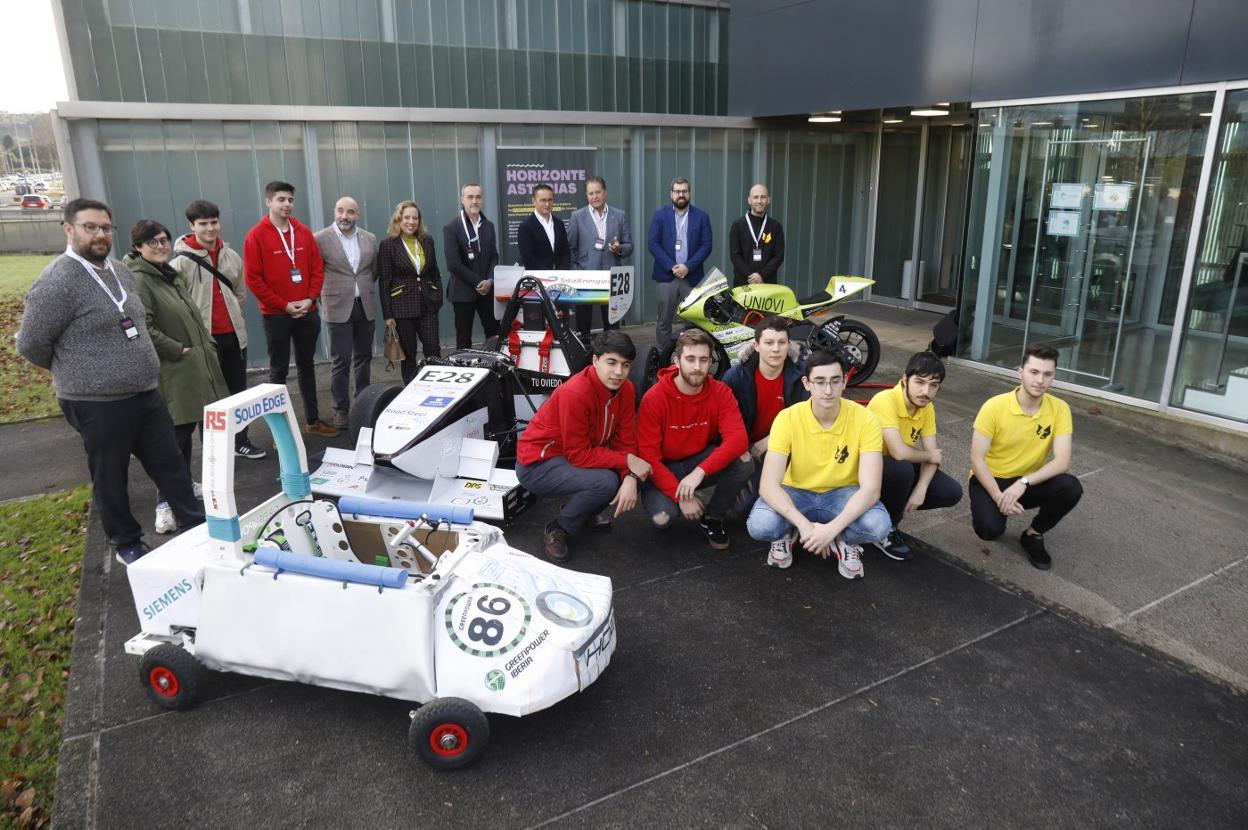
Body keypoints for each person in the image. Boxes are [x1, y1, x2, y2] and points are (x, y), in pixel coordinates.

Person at [16, 198, 204, 565]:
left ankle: (193, 522)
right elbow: (31, 344)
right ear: (69, 229)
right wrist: (78, 372)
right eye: (90, 227)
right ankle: (126, 541)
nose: (100, 234)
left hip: (145, 392)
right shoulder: (56, 283)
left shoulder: (119, 271)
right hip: (96, 402)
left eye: (105, 227)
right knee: (111, 476)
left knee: (170, 464)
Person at [124, 220, 228, 535]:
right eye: (152, 242)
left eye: (164, 240)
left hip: (195, 365)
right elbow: (144, 328)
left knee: (187, 437)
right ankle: (164, 504)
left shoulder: (169, 274)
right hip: (174, 371)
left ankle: (183, 486)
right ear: (138, 246)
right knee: (172, 441)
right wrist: (177, 350)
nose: (160, 246)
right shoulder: (140, 280)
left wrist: (203, 345)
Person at [746, 350, 890, 576]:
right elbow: (768, 484)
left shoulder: (866, 419)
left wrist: (831, 530)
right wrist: (804, 526)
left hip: (842, 493)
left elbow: (871, 489)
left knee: (879, 526)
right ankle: (789, 533)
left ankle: (843, 540)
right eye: (820, 381)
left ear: (845, 381)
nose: (828, 390)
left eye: (835, 381)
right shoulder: (788, 417)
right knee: (760, 525)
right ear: (806, 383)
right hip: (797, 490)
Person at [515, 331, 651, 563]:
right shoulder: (575, 393)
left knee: (617, 476)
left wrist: (629, 475)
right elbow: (579, 455)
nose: (619, 372)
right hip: (537, 464)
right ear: (595, 361)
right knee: (606, 481)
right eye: (611, 362)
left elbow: (625, 442)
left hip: (570, 455)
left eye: (625, 365)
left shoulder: (626, 390)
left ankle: (582, 512)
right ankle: (559, 527)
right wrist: (628, 462)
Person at [969, 344, 1083, 570]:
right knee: (989, 531)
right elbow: (976, 459)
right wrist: (998, 496)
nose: (1040, 380)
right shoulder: (994, 406)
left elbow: (1062, 461)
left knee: (1070, 487)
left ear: (1053, 376)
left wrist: (1023, 483)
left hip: (1026, 482)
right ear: (1020, 372)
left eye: (1047, 374)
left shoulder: (1060, 409)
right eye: (1034, 372)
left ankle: (1033, 534)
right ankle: (996, 508)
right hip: (990, 479)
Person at [637, 329, 752, 550]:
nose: (697, 367)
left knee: (743, 461)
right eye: (690, 359)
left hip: (697, 462)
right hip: (663, 468)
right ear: (677, 360)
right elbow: (649, 458)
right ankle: (677, 499)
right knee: (663, 520)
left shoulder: (720, 392)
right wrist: (681, 497)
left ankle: (712, 518)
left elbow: (738, 439)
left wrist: (698, 473)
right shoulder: (655, 398)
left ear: (711, 362)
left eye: (703, 360)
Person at [171, 199, 265, 460]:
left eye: (214, 222)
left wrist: (232, 313)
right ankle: (213, 450)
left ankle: (240, 441)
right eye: (203, 224)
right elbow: (176, 304)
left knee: (237, 391)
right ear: (192, 226)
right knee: (208, 397)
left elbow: (240, 293)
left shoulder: (231, 256)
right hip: (204, 341)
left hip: (234, 336)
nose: (210, 228)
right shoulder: (180, 263)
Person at [243, 180, 338, 436]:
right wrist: (283, 305)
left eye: (290, 200)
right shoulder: (256, 235)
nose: (287, 205)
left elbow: (317, 269)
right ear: (269, 202)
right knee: (279, 371)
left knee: (308, 366)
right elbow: (253, 279)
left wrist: (310, 299)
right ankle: (279, 433)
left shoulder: (303, 232)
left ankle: (312, 420)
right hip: (277, 315)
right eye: (281, 199)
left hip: (307, 311)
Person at [867, 351, 964, 561]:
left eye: (933, 385)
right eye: (919, 382)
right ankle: (887, 528)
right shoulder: (885, 400)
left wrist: (922, 487)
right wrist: (929, 455)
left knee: (951, 492)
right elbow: (900, 453)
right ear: (904, 379)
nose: (925, 391)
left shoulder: (927, 408)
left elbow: (933, 456)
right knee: (902, 468)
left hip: (895, 473)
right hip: (866, 471)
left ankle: (881, 512)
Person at [722, 314, 809, 512]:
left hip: (787, 446)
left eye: (782, 342)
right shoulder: (736, 376)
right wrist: (738, 450)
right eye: (769, 342)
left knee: (791, 501)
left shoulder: (802, 377)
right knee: (742, 509)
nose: (776, 349)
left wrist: (771, 440)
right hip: (746, 449)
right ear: (757, 345)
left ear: (789, 345)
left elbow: (809, 418)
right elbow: (721, 420)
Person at [314, 196, 378, 428]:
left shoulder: (369, 239)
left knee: (364, 358)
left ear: (357, 215)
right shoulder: (320, 239)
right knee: (340, 360)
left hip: (364, 305)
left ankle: (362, 402)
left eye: (350, 212)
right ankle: (340, 409)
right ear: (334, 211)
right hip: (337, 307)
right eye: (340, 211)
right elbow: (315, 272)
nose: (344, 216)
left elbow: (373, 270)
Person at [377, 200, 444, 384]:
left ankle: (437, 387)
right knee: (409, 355)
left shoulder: (426, 240)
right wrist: (387, 314)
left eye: (415, 218)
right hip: (402, 308)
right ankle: (412, 391)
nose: (411, 221)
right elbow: (384, 281)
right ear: (399, 219)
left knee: (433, 350)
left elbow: (434, 272)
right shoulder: (388, 245)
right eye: (407, 217)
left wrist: (438, 296)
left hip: (428, 305)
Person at [647, 177, 713, 346]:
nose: (681, 195)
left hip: (691, 276)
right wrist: (672, 266)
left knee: (692, 322)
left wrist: (687, 267)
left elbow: (706, 246)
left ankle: (691, 354)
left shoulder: (702, 216)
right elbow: (653, 243)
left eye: (684, 191)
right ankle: (662, 356)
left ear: (689, 193)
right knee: (664, 321)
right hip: (666, 276)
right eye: (677, 191)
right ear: (671, 194)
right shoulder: (660, 215)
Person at [566, 176, 633, 340]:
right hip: (585, 278)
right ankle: (584, 355)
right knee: (584, 326)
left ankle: (611, 353)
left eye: (598, 192)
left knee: (612, 327)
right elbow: (570, 248)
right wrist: (577, 273)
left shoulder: (619, 215)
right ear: (586, 195)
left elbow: (629, 246)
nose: (594, 197)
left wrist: (619, 249)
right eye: (591, 193)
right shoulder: (577, 216)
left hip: (611, 277)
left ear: (605, 192)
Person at [443, 182, 500, 349]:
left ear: (482, 200)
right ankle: (464, 368)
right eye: (470, 197)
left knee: (494, 334)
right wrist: (478, 282)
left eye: (478, 197)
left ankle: (493, 369)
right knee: (464, 338)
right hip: (463, 292)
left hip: (488, 291)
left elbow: (494, 256)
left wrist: (489, 280)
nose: (474, 201)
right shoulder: (452, 227)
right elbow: (453, 264)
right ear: (462, 199)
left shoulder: (488, 225)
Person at [728, 184, 785, 287]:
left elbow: (778, 256)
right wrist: (751, 276)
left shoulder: (775, 226)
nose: (759, 201)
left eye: (763, 197)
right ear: (749, 200)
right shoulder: (737, 225)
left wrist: (761, 275)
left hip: (767, 284)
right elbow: (735, 255)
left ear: (768, 200)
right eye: (755, 197)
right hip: (743, 285)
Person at [516, 184, 571, 270]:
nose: (547, 204)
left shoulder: (559, 223)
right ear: (534, 201)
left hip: (560, 278)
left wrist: (561, 272)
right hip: (538, 278)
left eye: (550, 200)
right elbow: (528, 257)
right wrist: (548, 274)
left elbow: (565, 252)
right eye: (543, 200)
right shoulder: (525, 226)